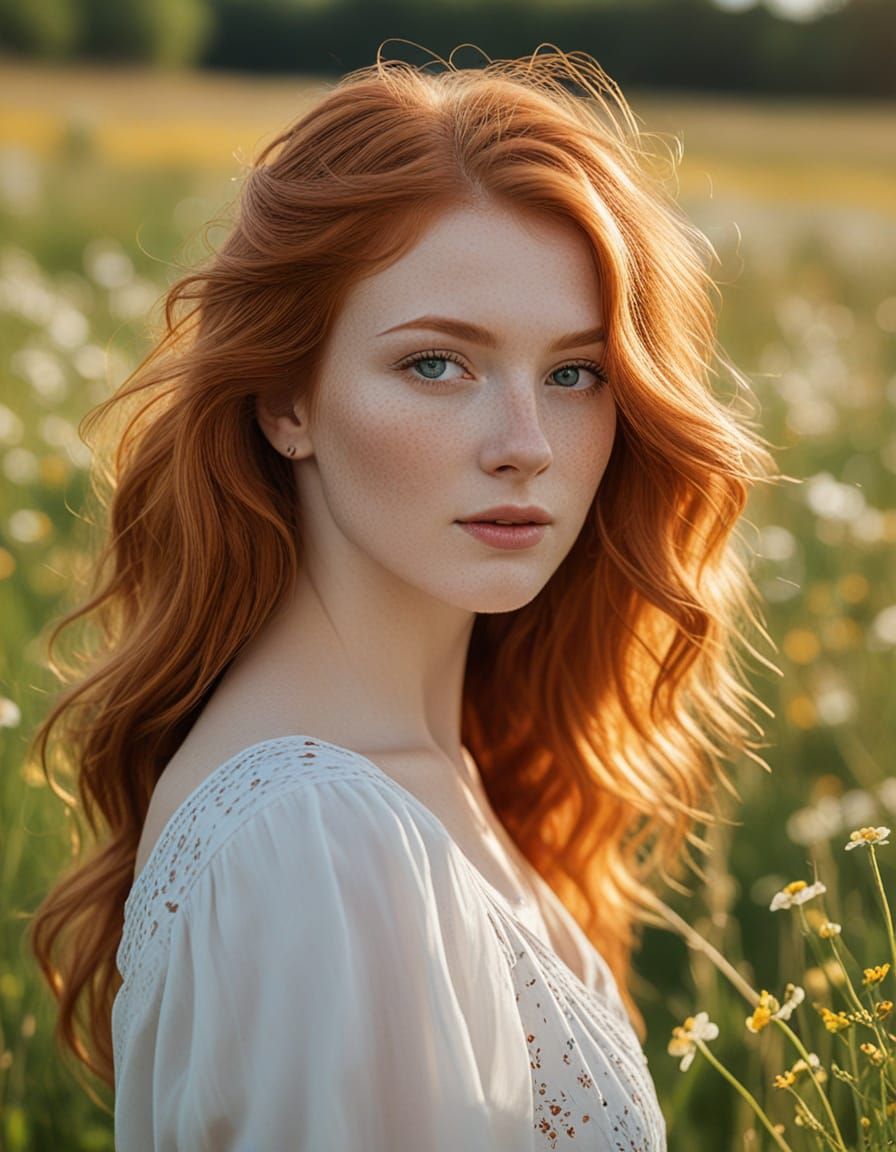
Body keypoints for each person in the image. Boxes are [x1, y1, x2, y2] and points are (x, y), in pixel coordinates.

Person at [28, 45, 780, 1150]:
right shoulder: (316, 841)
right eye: (437, 365)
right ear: (287, 400)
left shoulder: (422, 771)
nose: (525, 447)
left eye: (573, 374)